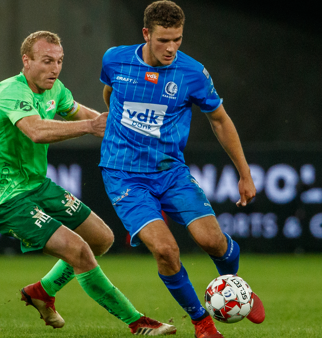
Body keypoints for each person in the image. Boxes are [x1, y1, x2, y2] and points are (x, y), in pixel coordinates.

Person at [0, 30, 176, 336]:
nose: (54, 68)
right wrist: (89, 126)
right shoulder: (11, 91)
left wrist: (130, 136)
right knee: (79, 251)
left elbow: (87, 114)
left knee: (101, 238)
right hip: (3, 197)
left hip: (36, 185)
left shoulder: (56, 89)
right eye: (46, 61)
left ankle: (41, 292)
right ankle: (138, 323)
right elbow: (36, 131)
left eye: (59, 61)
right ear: (26, 61)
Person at [99, 1, 265, 337]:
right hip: (123, 174)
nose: (171, 47)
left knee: (213, 241)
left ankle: (235, 286)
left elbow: (219, 120)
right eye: (163, 40)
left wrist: (244, 173)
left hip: (170, 171)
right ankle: (202, 323)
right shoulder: (115, 58)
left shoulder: (192, 73)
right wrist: (118, 129)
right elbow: (110, 92)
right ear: (146, 34)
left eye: (178, 39)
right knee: (165, 249)